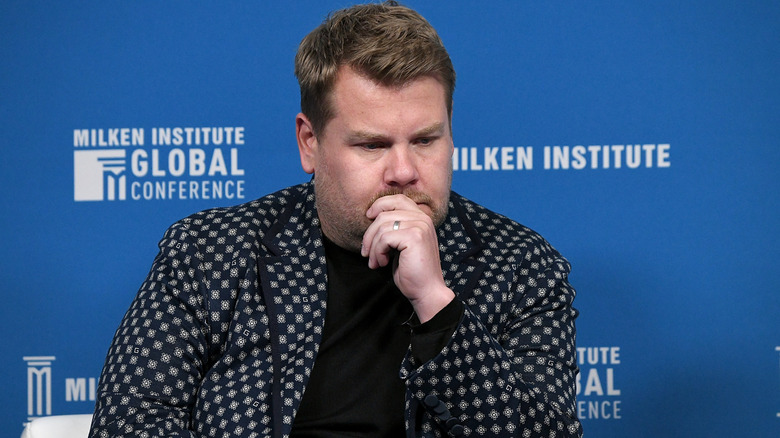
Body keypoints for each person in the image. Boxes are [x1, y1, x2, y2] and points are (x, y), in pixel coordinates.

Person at [89, 2, 581, 437]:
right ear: (310, 142)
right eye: (373, 145)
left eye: (426, 140)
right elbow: (128, 421)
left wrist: (437, 304)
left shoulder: (521, 266)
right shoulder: (209, 253)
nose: (405, 171)